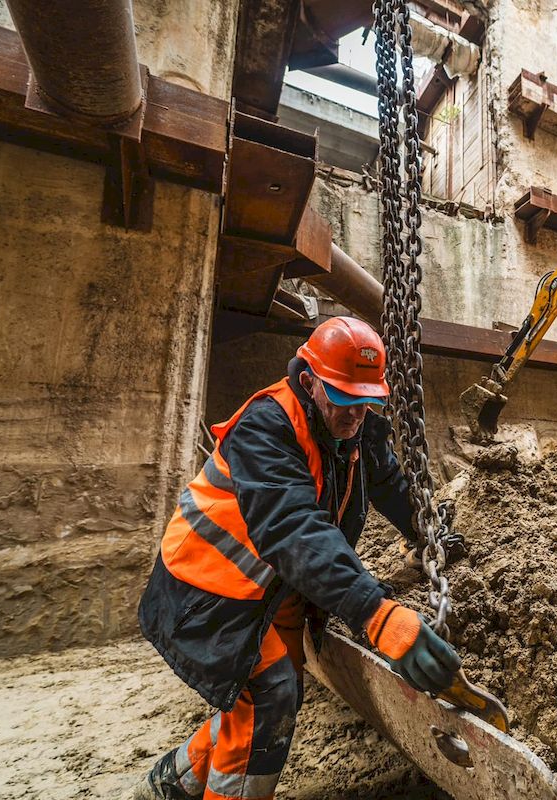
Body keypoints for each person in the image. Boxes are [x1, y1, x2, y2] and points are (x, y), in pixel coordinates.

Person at [133, 316, 461, 800]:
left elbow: (390, 483)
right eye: (344, 398)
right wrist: (375, 613)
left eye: (367, 401)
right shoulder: (265, 427)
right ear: (309, 382)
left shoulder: (356, 425)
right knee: (270, 695)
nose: (356, 414)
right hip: (209, 587)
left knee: (267, 697)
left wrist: (430, 534)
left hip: (275, 584)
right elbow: (291, 528)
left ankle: (173, 783)